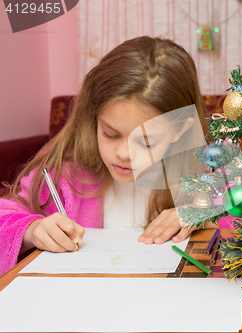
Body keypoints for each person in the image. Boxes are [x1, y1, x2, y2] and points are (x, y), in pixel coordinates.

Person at [0, 36, 216, 276]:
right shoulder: (66, 171)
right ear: (95, 117)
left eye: (146, 142)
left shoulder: (203, 168)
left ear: (180, 129)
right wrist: (31, 229)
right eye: (109, 133)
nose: (123, 154)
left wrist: (201, 215)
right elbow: (6, 218)